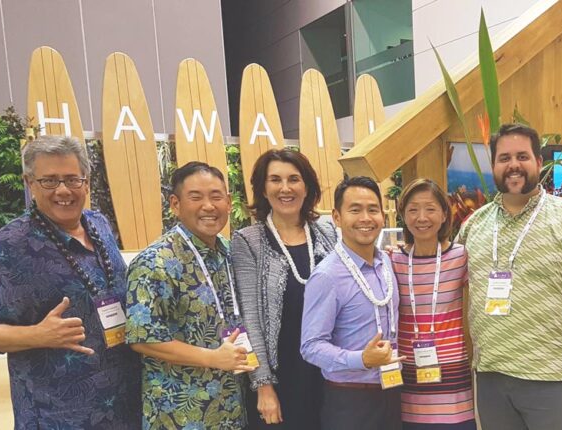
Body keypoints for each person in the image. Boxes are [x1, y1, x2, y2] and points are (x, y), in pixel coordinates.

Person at [459, 124, 562, 430]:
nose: (513, 165)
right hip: (492, 376)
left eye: (522, 156)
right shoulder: (474, 225)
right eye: (504, 158)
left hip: (552, 376)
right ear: (494, 165)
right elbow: (459, 289)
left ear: (538, 162)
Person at [0, 135, 141, 428]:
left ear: (86, 183)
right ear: (29, 183)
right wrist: (37, 335)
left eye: (72, 179)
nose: (63, 190)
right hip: (58, 414)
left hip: (124, 404)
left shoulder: (99, 225)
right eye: (49, 181)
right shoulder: (12, 245)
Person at [125, 161, 254, 429]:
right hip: (180, 414)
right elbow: (143, 339)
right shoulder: (154, 262)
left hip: (230, 406)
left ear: (228, 202)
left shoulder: (228, 251)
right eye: (196, 197)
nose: (208, 206)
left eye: (216, 196)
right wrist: (212, 358)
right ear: (175, 204)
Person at [232, 149, 338, 428]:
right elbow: (251, 320)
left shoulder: (327, 233)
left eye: (294, 179)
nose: (285, 188)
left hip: (328, 372)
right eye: (275, 180)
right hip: (280, 378)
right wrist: (263, 385)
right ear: (263, 189)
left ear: (307, 187)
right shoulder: (248, 241)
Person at [301, 176, 404, 430]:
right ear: (337, 217)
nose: (366, 218)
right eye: (355, 210)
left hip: (391, 390)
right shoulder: (327, 276)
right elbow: (310, 346)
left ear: (383, 216)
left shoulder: (386, 262)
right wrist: (362, 359)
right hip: (350, 399)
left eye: (373, 210)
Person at [391, 179, 476, 430]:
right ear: (403, 215)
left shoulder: (461, 257)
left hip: (454, 385)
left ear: (444, 214)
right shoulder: (393, 260)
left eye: (430, 209)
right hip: (408, 382)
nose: (421, 217)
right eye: (413, 210)